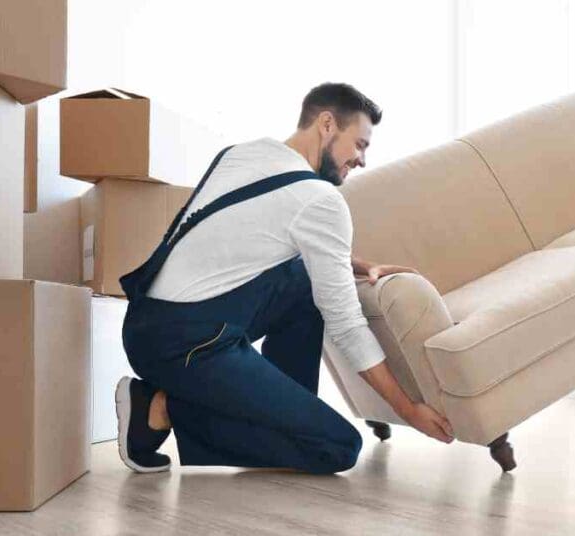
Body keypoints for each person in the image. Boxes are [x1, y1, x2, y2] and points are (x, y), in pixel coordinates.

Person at [114, 82, 454, 474]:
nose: (361, 160)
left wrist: (354, 264)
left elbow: (247, 237)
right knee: (338, 447)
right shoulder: (320, 200)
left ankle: (286, 413)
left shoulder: (242, 155)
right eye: (359, 144)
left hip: (146, 325)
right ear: (327, 124)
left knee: (306, 279)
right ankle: (157, 408)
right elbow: (347, 325)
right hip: (189, 348)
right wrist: (410, 410)